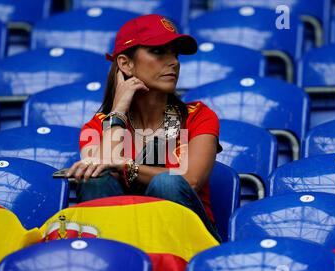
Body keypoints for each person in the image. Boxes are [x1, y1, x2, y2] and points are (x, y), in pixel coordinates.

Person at [66, 14, 222, 241]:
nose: (174, 62)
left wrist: (127, 166)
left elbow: (191, 180)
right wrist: (119, 108)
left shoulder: (198, 115)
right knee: (96, 178)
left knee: (166, 183)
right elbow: (101, 165)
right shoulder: (98, 124)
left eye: (175, 53)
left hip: (187, 242)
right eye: (158, 51)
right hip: (123, 240)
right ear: (125, 64)